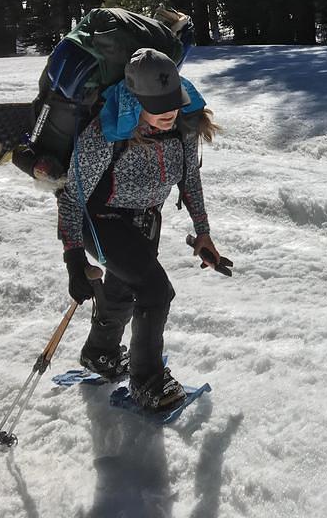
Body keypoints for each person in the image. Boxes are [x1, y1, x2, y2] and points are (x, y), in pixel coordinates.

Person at [58, 47, 221, 409]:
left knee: (123, 287)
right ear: (134, 98)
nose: (169, 112)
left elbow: (189, 180)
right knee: (155, 291)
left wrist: (203, 232)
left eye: (173, 101)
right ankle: (147, 381)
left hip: (146, 220)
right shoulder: (106, 133)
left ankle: (100, 353)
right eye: (158, 104)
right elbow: (71, 196)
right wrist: (72, 258)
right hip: (102, 221)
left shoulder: (183, 126)